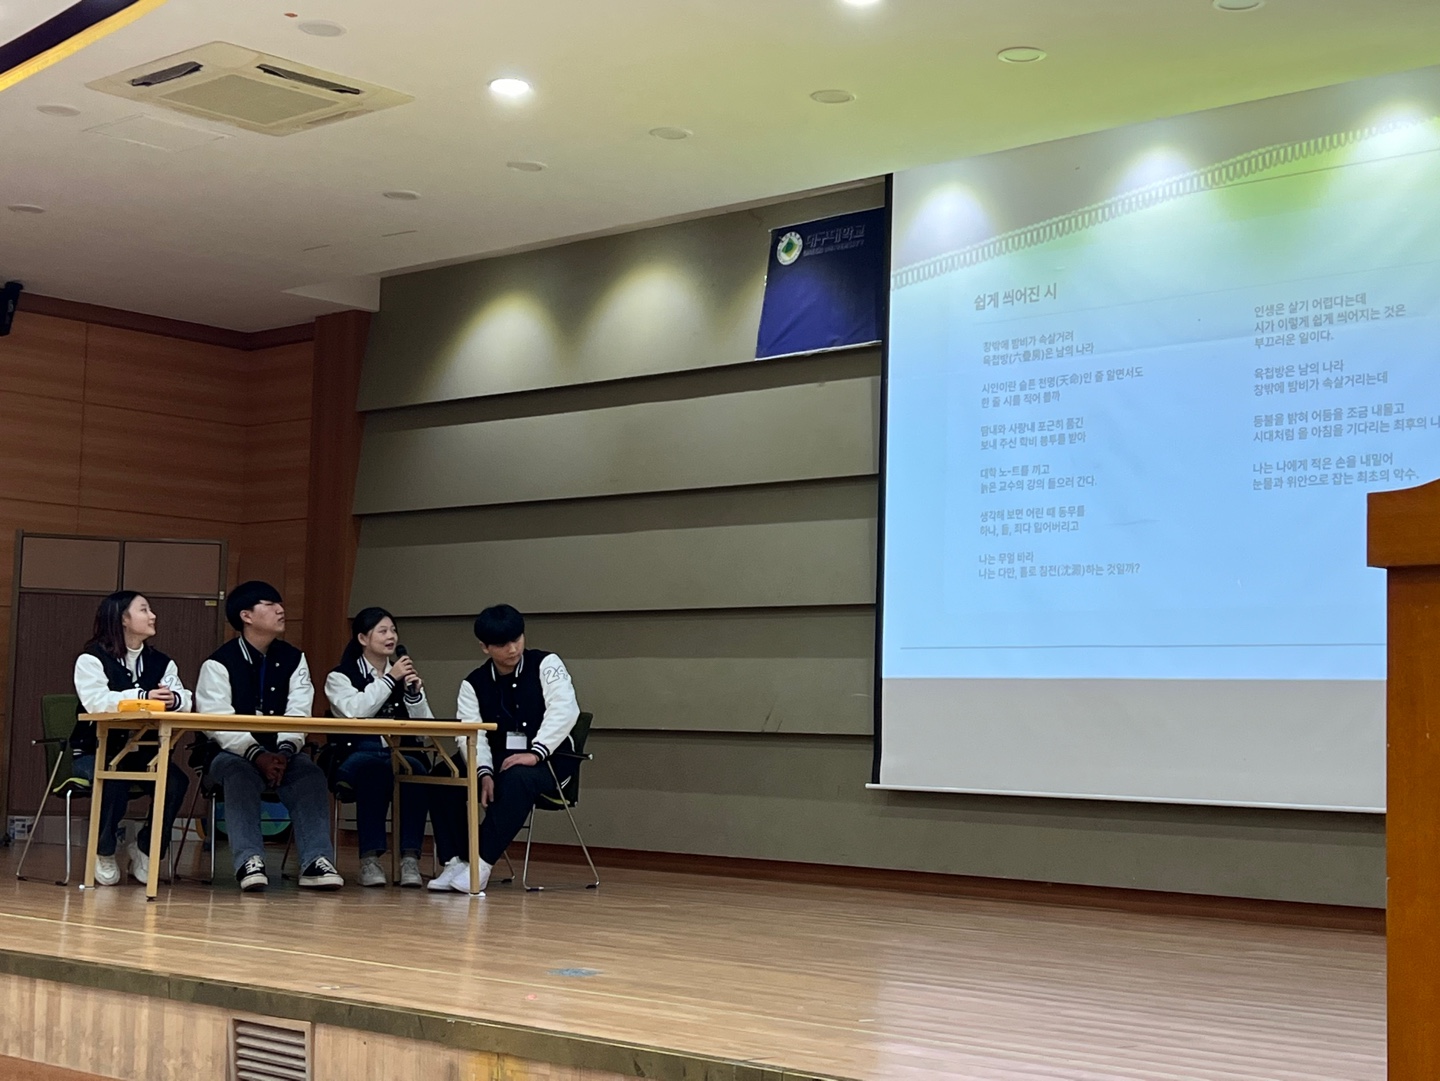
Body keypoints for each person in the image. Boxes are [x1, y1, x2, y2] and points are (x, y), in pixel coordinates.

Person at [194, 580, 343, 892]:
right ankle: (249, 860)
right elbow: (216, 722)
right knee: (239, 773)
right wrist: (256, 754)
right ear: (246, 616)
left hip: (283, 752)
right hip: (231, 754)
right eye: (270, 604)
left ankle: (316, 860)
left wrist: (285, 752)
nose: (280, 610)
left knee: (310, 775)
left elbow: (299, 711)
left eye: (280, 603)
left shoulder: (294, 658)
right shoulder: (218, 663)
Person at [429, 604, 580, 894]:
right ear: (485, 647)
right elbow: (471, 735)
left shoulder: (547, 663)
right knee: (443, 777)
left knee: (517, 778)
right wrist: (483, 772)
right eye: (502, 644)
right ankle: (455, 861)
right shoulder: (473, 684)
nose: (512, 649)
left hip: (549, 761)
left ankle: (481, 864)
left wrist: (536, 752)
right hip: (498, 759)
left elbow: (565, 710)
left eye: (517, 639)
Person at [70, 591, 192, 886]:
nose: (152, 616)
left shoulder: (161, 662)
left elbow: (185, 699)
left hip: (143, 753)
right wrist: (143, 697)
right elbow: (97, 702)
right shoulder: (91, 659)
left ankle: (147, 847)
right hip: (95, 751)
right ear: (123, 619)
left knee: (176, 781)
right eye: (144, 610)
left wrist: (174, 700)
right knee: (114, 778)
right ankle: (103, 849)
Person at [324, 607, 434, 888]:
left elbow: (426, 732)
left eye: (393, 630)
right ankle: (369, 859)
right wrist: (389, 680)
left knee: (417, 773)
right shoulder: (340, 676)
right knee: (374, 770)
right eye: (383, 631)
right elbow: (355, 712)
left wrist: (414, 696)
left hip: (400, 754)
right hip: (355, 755)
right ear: (363, 638)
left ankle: (410, 857)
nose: (391, 636)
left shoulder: (403, 675)